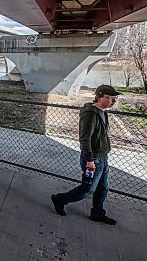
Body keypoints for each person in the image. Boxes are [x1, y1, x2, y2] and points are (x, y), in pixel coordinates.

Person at [51, 85, 121, 225]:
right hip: (93, 159)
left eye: (114, 98)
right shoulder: (90, 114)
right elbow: (85, 138)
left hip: (102, 157)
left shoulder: (103, 111)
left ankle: (97, 213)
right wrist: (90, 160)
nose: (113, 101)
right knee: (88, 189)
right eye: (109, 98)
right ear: (99, 97)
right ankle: (60, 199)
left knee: (103, 187)